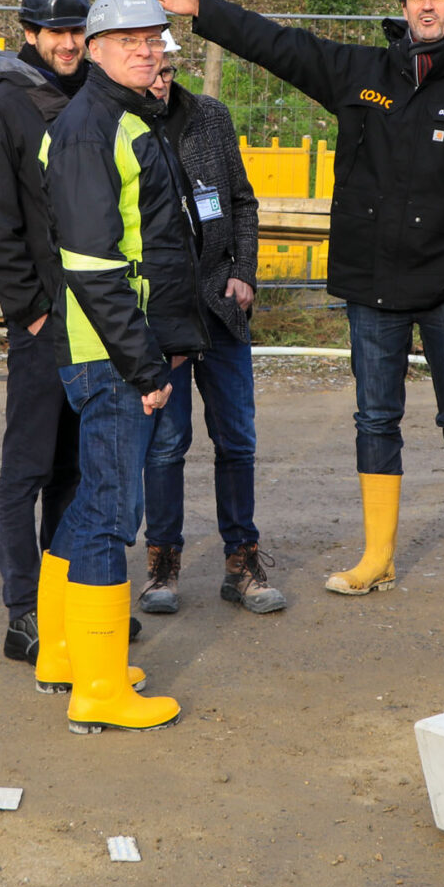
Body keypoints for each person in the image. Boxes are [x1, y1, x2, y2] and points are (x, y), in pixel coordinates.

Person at [145, 0, 444, 607]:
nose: (426, 5)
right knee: (375, 417)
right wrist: (205, 10)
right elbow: (280, 45)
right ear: (402, 7)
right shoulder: (360, 71)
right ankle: (377, 556)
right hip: (373, 285)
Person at [34, 0, 207, 734]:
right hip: (110, 350)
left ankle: (67, 654)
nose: (147, 49)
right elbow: (95, 264)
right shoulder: (89, 127)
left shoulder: (123, 116)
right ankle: (99, 688)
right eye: (129, 39)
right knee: (111, 512)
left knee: (89, 503)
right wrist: (144, 365)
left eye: (155, 38)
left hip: (114, 344)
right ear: (96, 48)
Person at [0, 0, 91, 666]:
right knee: (28, 469)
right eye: (57, 32)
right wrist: (32, 313)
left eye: (77, 30)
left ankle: (67, 599)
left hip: (95, 319)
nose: (68, 43)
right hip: (46, 324)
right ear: (31, 34)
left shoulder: (95, 97)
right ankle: (24, 612)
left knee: (76, 470)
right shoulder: (3, 110)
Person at [137, 31, 285, 615]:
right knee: (166, 443)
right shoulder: (119, 126)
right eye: (151, 69)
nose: (160, 80)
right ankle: (162, 563)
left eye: (168, 69)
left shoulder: (211, 119)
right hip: (160, 312)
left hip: (220, 305)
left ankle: (241, 560)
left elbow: (243, 202)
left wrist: (244, 271)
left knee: (237, 439)